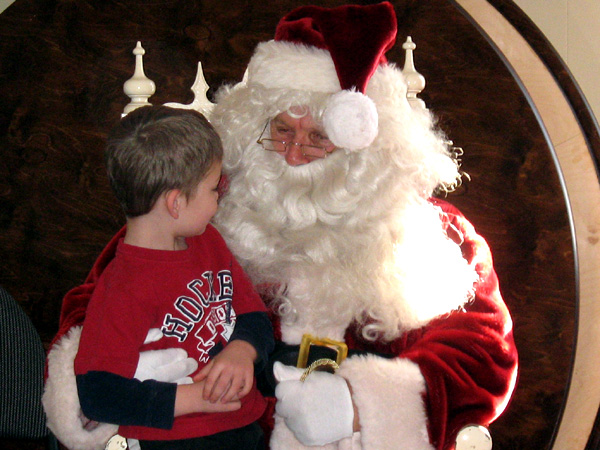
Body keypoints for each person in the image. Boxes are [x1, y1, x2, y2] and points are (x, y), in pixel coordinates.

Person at [43, 3, 518, 450]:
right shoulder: (208, 211)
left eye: (319, 138)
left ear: (367, 144)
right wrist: (113, 389)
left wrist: (358, 407)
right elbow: (103, 297)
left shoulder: (433, 233)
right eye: (282, 131)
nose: (293, 155)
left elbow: (480, 351)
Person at [70, 105, 274, 450]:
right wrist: (192, 399)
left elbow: (254, 317)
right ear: (176, 203)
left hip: (243, 424)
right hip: (176, 441)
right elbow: (98, 394)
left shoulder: (208, 240)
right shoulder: (122, 287)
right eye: (213, 189)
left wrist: (242, 350)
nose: (218, 200)